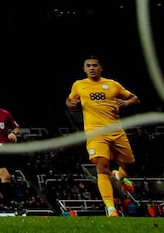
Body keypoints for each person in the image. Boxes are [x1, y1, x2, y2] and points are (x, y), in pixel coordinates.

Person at [66, 54, 139, 217]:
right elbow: (69, 101)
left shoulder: (112, 85)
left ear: (101, 68)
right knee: (101, 167)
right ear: (84, 69)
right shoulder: (79, 85)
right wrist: (72, 104)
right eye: (88, 65)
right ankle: (111, 209)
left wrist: (127, 103)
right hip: (95, 133)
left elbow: (135, 98)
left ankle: (119, 175)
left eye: (95, 65)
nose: (92, 68)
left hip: (116, 132)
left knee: (131, 167)